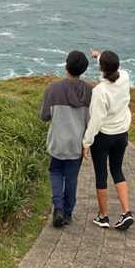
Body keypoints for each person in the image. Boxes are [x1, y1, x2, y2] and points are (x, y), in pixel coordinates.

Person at [40, 50, 93, 228]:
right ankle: (68, 214)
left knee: (55, 173)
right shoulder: (89, 91)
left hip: (57, 142)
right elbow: (91, 120)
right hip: (76, 144)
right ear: (83, 70)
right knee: (71, 178)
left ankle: (58, 209)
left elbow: (44, 116)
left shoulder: (53, 89)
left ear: (66, 65)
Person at [82, 49, 134, 230]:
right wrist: (100, 56)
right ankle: (126, 212)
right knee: (117, 171)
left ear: (101, 69)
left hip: (103, 137)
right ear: (118, 66)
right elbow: (114, 66)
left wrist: (86, 143)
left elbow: (95, 121)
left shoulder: (99, 91)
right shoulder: (125, 77)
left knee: (101, 175)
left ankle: (103, 217)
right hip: (121, 134)